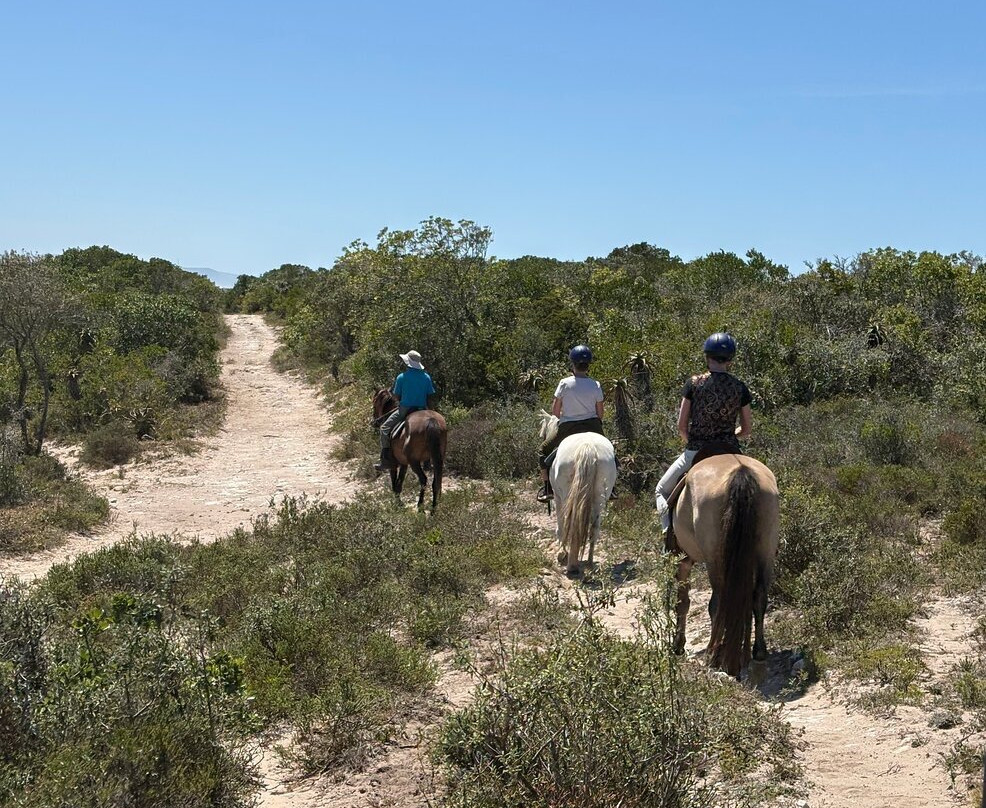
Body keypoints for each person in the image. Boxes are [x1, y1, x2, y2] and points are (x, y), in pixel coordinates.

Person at [654, 332, 752, 536]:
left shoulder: (694, 384)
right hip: (730, 450)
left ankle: (667, 537)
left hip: (697, 450)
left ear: (707, 357)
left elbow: (682, 426)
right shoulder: (740, 388)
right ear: (730, 361)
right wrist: (731, 434)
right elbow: (746, 429)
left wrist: (694, 441)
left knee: (661, 491)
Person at [536, 344, 605, 502]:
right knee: (611, 452)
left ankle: (547, 488)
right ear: (588, 365)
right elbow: (600, 414)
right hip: (593, 426)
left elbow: (555, 411)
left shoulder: (564, 383)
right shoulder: (596, 385)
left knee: (542, 450)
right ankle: (612, 488)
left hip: (568, 427)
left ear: (572, 364)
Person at [375, 349, 436, 472]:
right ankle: (428, 461)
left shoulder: (402, 377)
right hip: (422, 410)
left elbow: (396, 396)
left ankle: (386, 460)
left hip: (405, 410)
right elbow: (430, 396)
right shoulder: (426, 377)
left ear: (408, 363)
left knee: (384, 429)